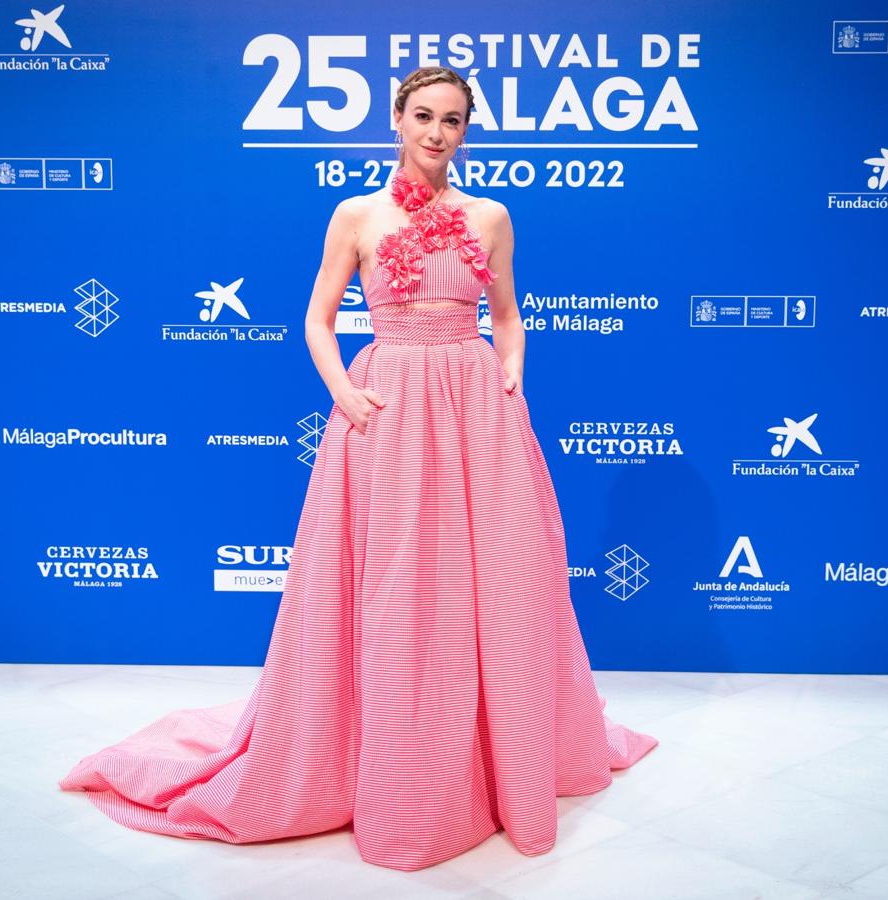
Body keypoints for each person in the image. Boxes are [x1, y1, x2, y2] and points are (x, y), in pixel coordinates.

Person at [57, 66, 658, 872]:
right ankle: (399, 765)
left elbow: (510, 318)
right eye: (422, 116)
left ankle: (497, 758)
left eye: (452, 120)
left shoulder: (491, 216)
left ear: (466, 130)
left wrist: (511, 376)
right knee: (397, 588)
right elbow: (314, 318)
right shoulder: (356, 213)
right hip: (389, 409)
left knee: (496, 585)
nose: (437, 133)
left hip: (481, 412)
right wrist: (346, 392)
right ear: (397, 120)